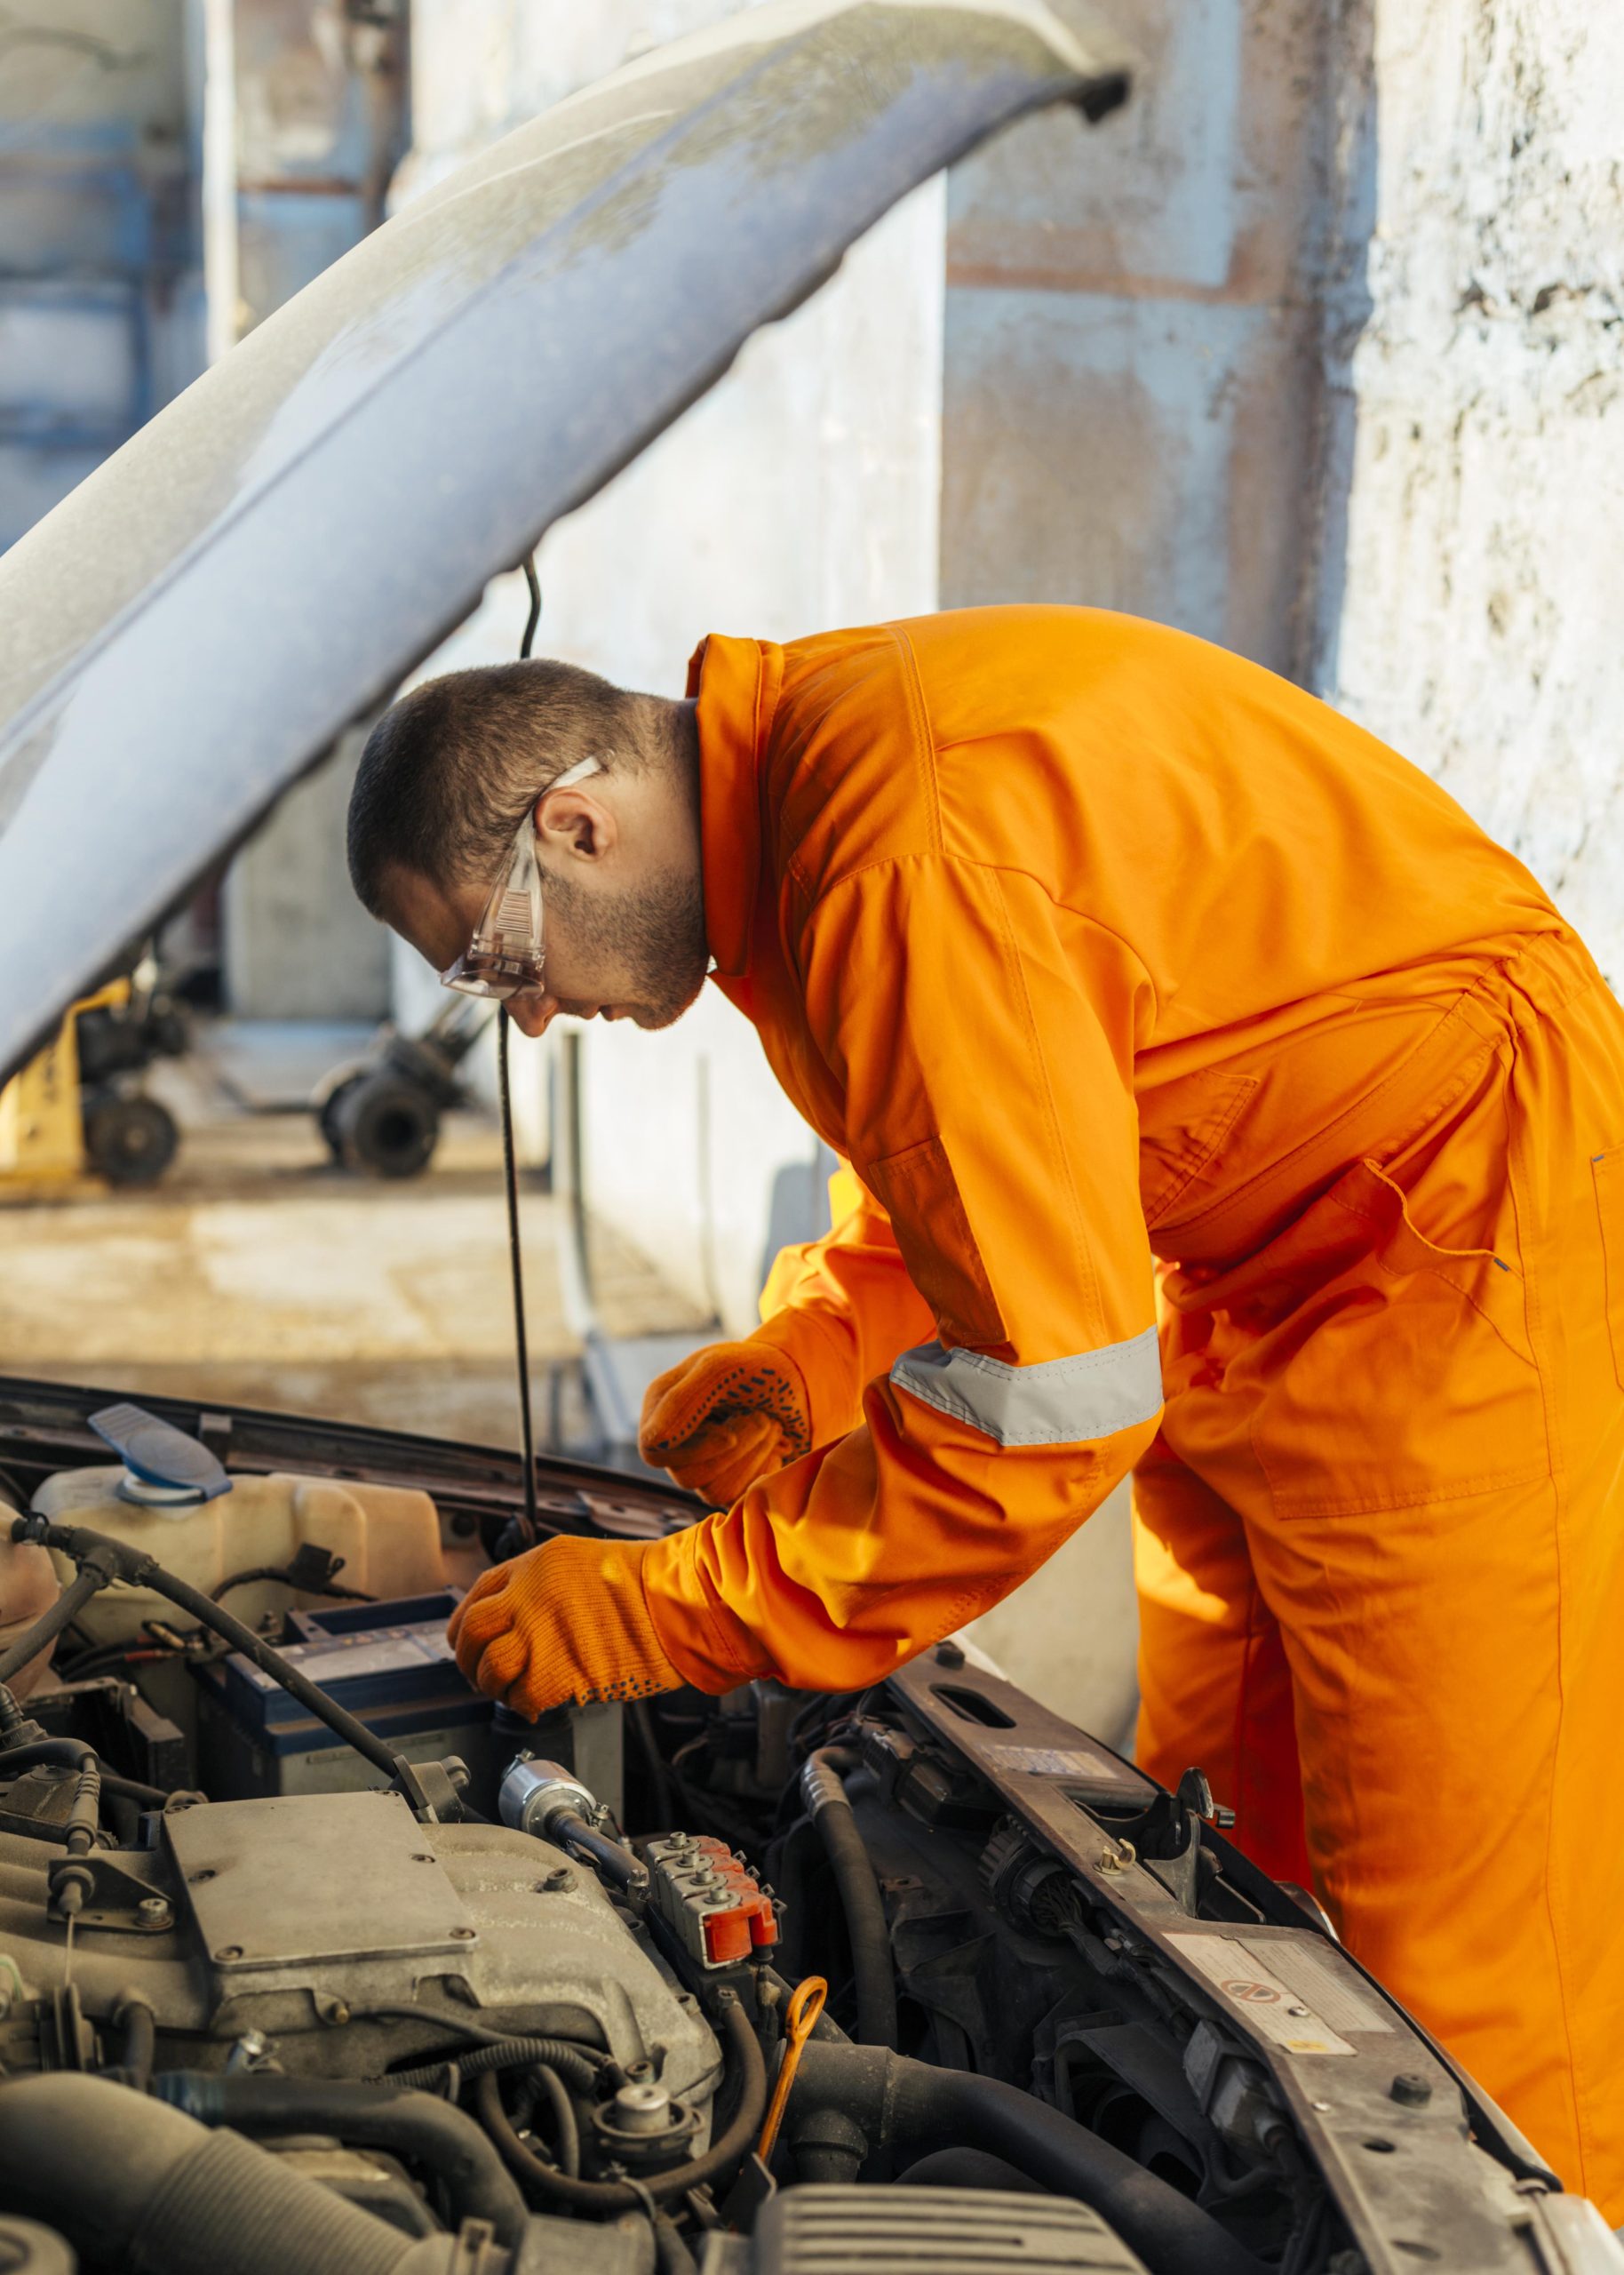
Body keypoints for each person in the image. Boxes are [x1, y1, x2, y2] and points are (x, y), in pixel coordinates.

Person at [346, 603, 1624, 2215]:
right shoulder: (799, 821)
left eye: (494, 959)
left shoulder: (892, 853)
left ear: (574, 827)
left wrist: (680, 1607)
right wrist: (818, 1345)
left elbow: (1040, 1414)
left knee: (1462, 1954)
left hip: (1456, 1227)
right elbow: (973, 1154)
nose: (527, 1015)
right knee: (1231, 1884)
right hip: (1248, 1244)